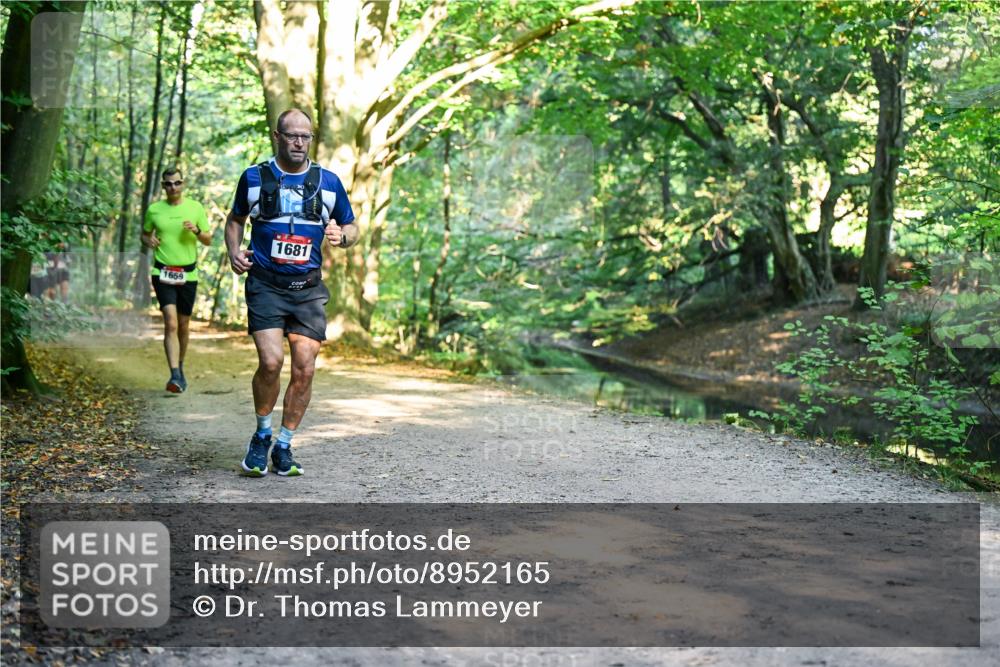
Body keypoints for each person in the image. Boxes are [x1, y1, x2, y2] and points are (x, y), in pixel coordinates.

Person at [225, 108, 357, 477]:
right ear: (277, 137)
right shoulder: (254, 178)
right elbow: (235, 220)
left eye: (306, 136)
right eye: (292, 135)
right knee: (270, 362)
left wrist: (342, 237)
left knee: (305, 369)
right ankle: (262, 436)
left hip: (308, 291)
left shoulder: (328, 182)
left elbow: (351, 226)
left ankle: (284, 445)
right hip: (266, 284)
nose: (299, 142)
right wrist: (233, 251)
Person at [141, 167, 211, 394]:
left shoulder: (195, 208)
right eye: (168, 184)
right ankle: (173, 374)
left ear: (183, 184)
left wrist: (197, 230)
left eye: (177, 183)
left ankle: (180, 368)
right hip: (162, 273)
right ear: (163, 186)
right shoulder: (154, 210)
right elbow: (145, 234)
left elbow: (208, 239)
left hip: (188, 274)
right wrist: (148, 241)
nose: (173, 187)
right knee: (170, 322)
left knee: (183, 325)